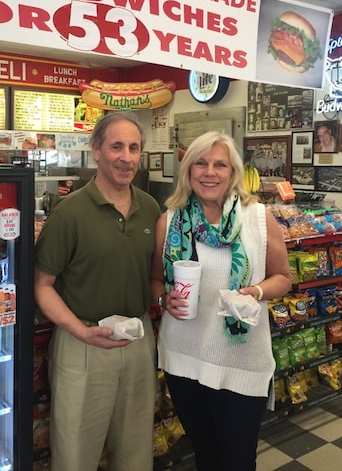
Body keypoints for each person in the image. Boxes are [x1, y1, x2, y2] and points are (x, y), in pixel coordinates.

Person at [150, 131, 291, 471]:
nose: (209, 172)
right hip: (185, 358)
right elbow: (155, 279)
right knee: (205, 453)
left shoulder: (257, 218)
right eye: (200, 163)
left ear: (233, 173)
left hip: (241, 359)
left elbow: (283, 278)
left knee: (238, 459)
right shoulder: (170, 221)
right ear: (188, 170)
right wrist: (162, 297)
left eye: (219, 164)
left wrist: (255, 292)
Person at [34, 111, 161, 471]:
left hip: (137, 343)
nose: (126, 157)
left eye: (134, 148)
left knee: (136, 453)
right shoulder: (69, 212)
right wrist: (80, 330)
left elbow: (153, 278)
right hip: (82, 345)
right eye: (116, 146)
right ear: (97, 151)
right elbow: (41, 285)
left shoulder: (150, 208)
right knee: (75, 454)